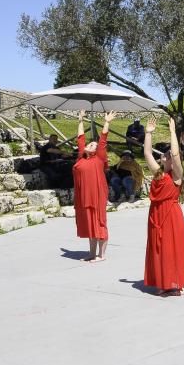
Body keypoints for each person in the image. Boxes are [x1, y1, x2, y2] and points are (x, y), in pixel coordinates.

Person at [142, 115, 184, 296]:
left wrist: (172, 132)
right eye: (165, 154)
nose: (166, 155)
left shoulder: (177, 175)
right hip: (156, 214)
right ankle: (163, 282)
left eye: (168, 155)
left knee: (173, 249)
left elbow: (176, 154)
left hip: (171, 215)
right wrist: (148, 133)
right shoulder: (158, 173)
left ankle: (178, 283)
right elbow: (147, 154)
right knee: (159, 248)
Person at [74, 109, 115, 262]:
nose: (90, 144)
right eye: (90, 143)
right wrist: (80, 120)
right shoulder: (81, 157)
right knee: (89, 223)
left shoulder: (99, 157)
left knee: (99, 222)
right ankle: (92, 253)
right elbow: (80, 139)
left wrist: (107, 122)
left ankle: (101, 255)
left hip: (97, 195)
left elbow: (103, 140)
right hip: (83, 195)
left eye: (92, 145)